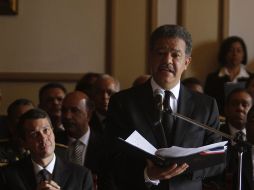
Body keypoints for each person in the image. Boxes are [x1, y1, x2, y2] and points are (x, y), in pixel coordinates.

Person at [104, 24, 224, 190]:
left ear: (186, 62)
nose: (167, 60)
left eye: (176, 55)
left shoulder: (206, 105)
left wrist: (185, 168)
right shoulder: (123, 102)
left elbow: (218, 160)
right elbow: (110, 157)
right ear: (150, 57)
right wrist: (148, 173)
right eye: (161, 53)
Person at [0, 108, 93, 190]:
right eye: (34, 134)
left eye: (46, 130)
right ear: (24, 142)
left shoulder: (81, 175)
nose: (43, 138)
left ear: (53, 132)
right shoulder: (8, 176)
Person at [61, 91, 105, 186]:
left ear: (88, 115)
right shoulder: (54, 141)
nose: (67, 116)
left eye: (74, 110)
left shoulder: (105, 145)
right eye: (64, 110)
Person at [204, 36, 250, 115]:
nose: (234, 54)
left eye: (238, 51)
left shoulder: (251, 78)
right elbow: (208, 104)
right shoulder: (213, 78)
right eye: (231, 50)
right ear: (224, 53)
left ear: (243, 55)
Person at [0, 98, 34, 165]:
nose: (27, 122)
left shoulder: (50, 150)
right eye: (21, 118)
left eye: (31, 117)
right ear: (10, 124)